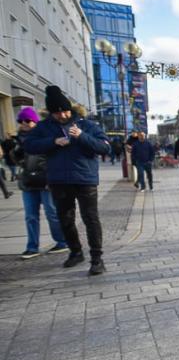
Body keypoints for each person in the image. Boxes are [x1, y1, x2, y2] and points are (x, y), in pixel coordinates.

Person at [24, 86, 110, 275]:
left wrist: (81, 136)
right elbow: (29, 145)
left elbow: (104, 148)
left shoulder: (86, 124)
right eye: (57, 112)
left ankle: (97, 259)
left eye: (64, 110)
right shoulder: (44, 127)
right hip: (59, 180)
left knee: (91, 218)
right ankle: (76, 252)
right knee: (66, 219)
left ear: (70, 109)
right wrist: (53, 142)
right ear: (51, 112)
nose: (62, 115)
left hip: (85, 178)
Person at [13, 107, 68, 258]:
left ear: (35, 121)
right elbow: (17, 160)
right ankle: (32, 247)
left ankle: (62, 241)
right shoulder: (18, 139)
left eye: (28, 120)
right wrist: (14, 151)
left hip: (45, 181)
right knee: (30, 215)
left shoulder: (43, 136)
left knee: (52, 213)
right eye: (21, 121)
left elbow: (52, 157)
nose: (24, 123)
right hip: (28, 181)